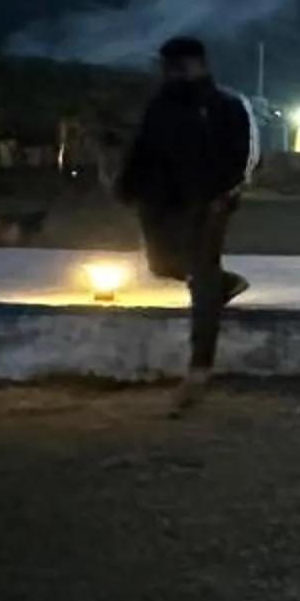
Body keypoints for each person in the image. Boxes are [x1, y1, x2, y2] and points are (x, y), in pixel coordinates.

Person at [115, 35, 254, 411]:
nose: (171, 74)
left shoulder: (224, 105)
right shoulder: (161, 104)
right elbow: (143, 146)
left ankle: (199, 368)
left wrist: (224, 194)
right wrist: (128, 187)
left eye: (177, 67)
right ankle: (227, 283)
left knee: (201, 275)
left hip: (206, 202)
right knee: (162, 265)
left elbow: (240, 154)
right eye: (166, 68)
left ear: (197, 64)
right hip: (159, 199)